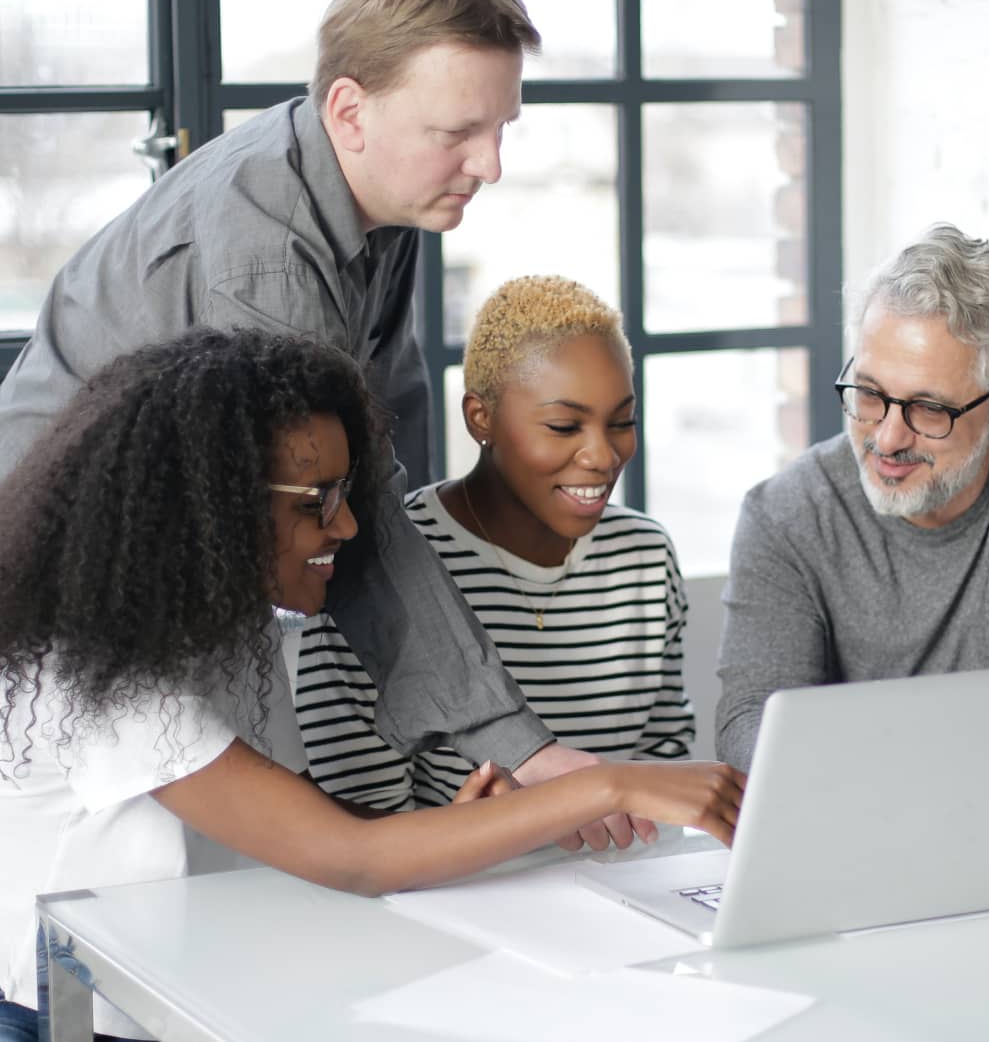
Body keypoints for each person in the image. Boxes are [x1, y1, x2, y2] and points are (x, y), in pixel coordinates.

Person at [0, 0, 613, 827]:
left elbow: (377, 465)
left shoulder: (383, 210)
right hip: (64, 623)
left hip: (176, 591)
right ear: (351, 110)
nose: (490, 165)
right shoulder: (267, 262)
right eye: (458, 134)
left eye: (499, 129)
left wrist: (472, 735)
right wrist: (512, 742)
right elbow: (343, 506)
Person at [0, 328, 746, 1042]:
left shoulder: (221, 625)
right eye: (315, 501)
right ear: (212, 506)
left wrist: (454, 829)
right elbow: (352, 855)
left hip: (177, 992)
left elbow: (302, 818)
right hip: (70, 1018)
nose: (349, 527)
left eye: (346, 492)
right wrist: (611, 786)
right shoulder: (107, 680)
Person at [715, 223, 989, 774]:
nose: (886, 439)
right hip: (859, 833)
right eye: (868, 393)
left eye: (929, 409)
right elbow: (749, 727)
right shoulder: (785, 515)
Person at [295, 275, 695, 811]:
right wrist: (483, 831)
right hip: (449, 889)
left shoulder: (645, 556)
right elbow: (357, 830)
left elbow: (663, 770)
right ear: (480, 417)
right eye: (562, 426)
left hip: (618, 883)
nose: (603, 456)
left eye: (623, 421)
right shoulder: (380, 570)